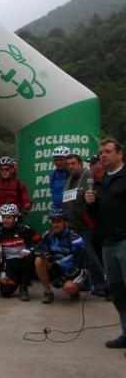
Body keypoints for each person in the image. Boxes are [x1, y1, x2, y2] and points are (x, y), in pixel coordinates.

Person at [85, 139, 126, 352]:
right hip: (107, 243)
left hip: (124, 241)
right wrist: (91, 204)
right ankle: (125, 332)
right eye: (101, 152)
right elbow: (97, 216)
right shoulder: (100, 183)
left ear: (119, 154)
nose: (103, 155)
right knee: (117, 291)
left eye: (108, 151)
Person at [63, 153, 108, 297]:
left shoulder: (87, 177)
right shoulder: (69, 180)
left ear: (80, 164)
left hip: (86, 225)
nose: (70, 166)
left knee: (90, 254)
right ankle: (86, 282)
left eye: (73, 164)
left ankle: (101, 283)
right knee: (79, 256)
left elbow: (91, 199)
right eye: (68, 164)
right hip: (73, 225)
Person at [35, 208, 87, 304]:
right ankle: (48, 292)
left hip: (74, 270)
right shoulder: (48, 235)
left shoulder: (75, 238)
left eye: (59, 222)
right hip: (57, 268)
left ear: (66, 222)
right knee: (39, 260)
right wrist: (45, 254)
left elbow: (81, 264)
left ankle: (75, 290)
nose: (55, 225)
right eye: (53, 222)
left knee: (69, 288)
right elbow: (38, 249)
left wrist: (64, 278)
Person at [0, 203, 39, 301]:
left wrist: (29, 250)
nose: (5, 220)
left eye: (9, 218)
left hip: (25, 261)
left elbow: (40, 244)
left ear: (15, 218)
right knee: (5, 292)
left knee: (28, 257)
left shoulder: (25, 229)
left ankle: (24, 287)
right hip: (10, 265)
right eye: (3, 217)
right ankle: (18, 280)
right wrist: (2, 272)